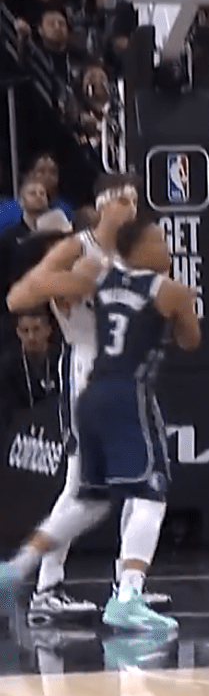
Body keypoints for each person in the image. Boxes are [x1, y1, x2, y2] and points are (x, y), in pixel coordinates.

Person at [0, 218, 201, 631]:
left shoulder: (97, 277)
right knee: (145, 493)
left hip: (95, 390)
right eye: (158, 239)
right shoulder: (150, 286)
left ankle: (20, 569)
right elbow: (191, 340)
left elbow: (27, 289)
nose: (166, 246)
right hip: (117, 387)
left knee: (91, 498)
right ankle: (115, 594)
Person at [3, 174, 154, 623]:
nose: (132, 208)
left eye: (135, 201)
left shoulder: (129, 253)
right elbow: (24, 296)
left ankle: (127, 586)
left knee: (140, 484)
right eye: (125, 200)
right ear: (104, 205)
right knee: (81, 485)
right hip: (88, 367)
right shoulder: (77, 255)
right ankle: (45, 585)